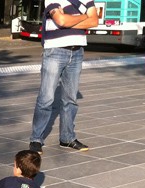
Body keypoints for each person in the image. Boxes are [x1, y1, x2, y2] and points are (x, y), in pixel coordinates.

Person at [28, 0, 99, 155]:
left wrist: (69, 20)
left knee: (71, 99)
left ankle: (67, 138)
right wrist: (83, 16)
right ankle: (36, 139)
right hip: (55, 51)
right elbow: (61, 20)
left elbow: (94, 20)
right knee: (46, 98)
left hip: (77, 52)